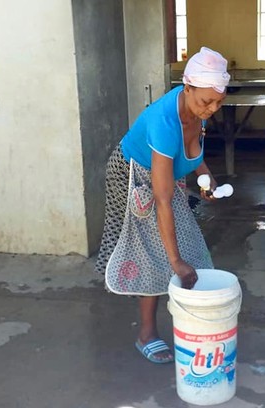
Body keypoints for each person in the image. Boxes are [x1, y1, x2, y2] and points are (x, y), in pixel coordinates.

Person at [95, 47, 229, 363]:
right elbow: (163, 200)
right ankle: (146, 334)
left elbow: (191, 152)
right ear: (187, 87)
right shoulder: (163, 122)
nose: (211, 109)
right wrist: (174, 260)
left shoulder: (195, 112)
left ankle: (185, 320)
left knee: (182, 245)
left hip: (163, 172)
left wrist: (206, 177)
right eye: (205, 101)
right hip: (131, 174)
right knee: (153, 251)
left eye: (218, 102)